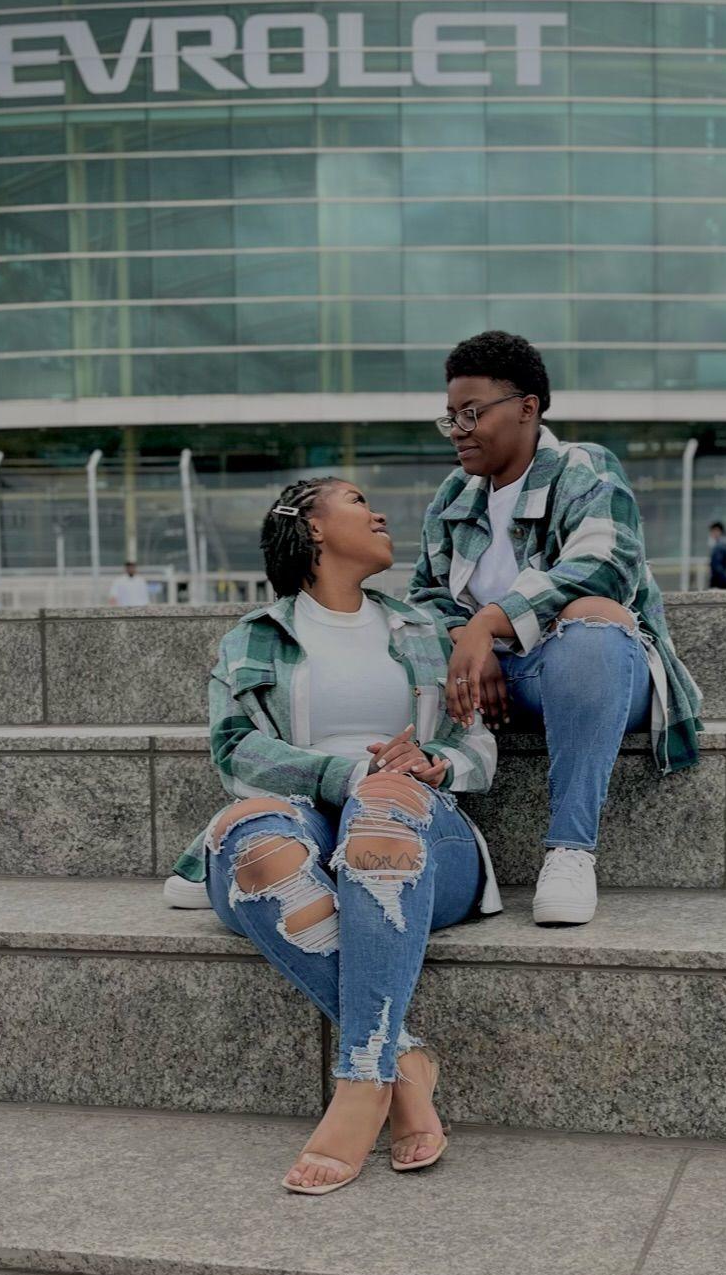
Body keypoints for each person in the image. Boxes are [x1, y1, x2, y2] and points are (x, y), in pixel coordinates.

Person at [161, 477, 501, 1196]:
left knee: (380, 809)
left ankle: (359, 1078)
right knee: (254, 840)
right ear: (312, 528)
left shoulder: (422, 630)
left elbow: (476, 744)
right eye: (355, 501)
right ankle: (402, 1064)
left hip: (419, 832)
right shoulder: (255, 637)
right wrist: (344, 775)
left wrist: (436, 762)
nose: (379, 512)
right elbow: (234, 750)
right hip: (307, 812)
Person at [408, 330, 703, 927]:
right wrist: (471, 639)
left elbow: (606, 564)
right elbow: (426, 596)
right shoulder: (453, 496)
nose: (460, 429)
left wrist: (489, 623)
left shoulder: (583, 468)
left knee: (594, 618)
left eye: (472, 413)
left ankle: (570, 851)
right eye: (450, 417)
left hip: (597, 675)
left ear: (527, 407)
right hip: (491, 686)